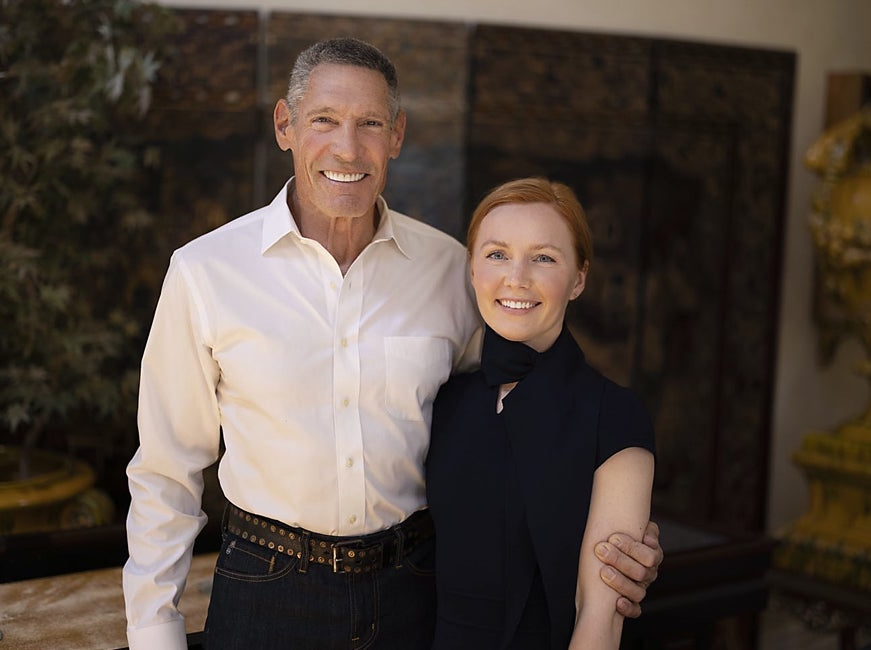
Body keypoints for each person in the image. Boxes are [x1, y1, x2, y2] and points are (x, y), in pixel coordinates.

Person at [122, 38, 662, 650]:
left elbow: (515, 427)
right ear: (285, 126)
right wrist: (154, 632)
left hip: (417, 592)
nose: (347, 148)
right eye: (324, 120)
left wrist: (618, 534)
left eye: (370, 124)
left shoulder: (449, 270)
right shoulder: (206, 272)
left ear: (397, 135)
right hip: (265, 588)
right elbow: (167, 472)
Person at [426, 177, 657, 649]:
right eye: (496, 254)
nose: (517, 278)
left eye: (544, 258)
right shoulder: (443, 398)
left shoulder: (614, 416)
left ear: (578, 279)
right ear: (471, 270)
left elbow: (602, 612)